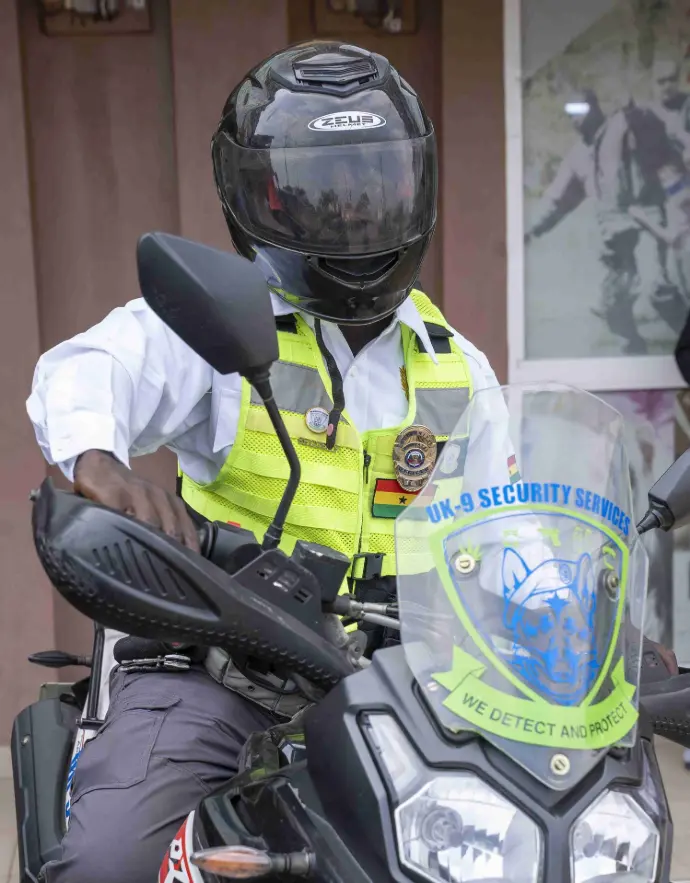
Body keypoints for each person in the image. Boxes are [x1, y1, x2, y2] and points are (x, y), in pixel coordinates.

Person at [26, 41, 515, 883]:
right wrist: (98, 460)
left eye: (377, 184)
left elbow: (505, 533)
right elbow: (90, 367)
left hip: (398, 688)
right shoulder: (219, 318)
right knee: (112, 863)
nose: (356, 215)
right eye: (327, 192)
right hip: (218, 673)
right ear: (261, 197)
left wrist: (574, 620)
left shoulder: (455, 366)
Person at [525, 88, 687, 353]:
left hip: (645, 225)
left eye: (581, 110)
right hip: (613, 239)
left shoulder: (623, 126)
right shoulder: (578, 156)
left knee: (658, 292)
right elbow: (557, 200)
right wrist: (529, 231)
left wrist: (635, 110)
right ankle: (633, 351)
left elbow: (652, 125)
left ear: (595, 107)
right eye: (570, 113)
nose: (575, 118)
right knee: (613, 305)